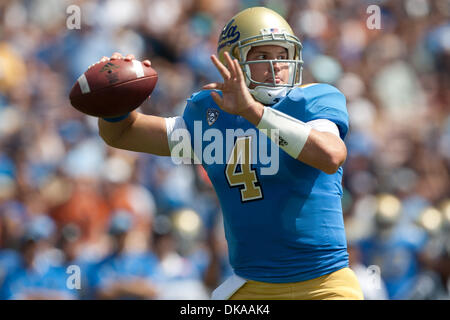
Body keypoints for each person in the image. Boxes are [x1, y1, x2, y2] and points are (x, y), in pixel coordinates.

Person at [93, 7, 363, 300]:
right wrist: (114, 98)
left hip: (323, 285)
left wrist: (253, 111)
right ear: (231, 62)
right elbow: (122, 133)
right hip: (251, 287)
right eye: (261, 56)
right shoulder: (211, 114)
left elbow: (331, 155)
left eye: (283, 54)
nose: (277, 65)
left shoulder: (313, 99)